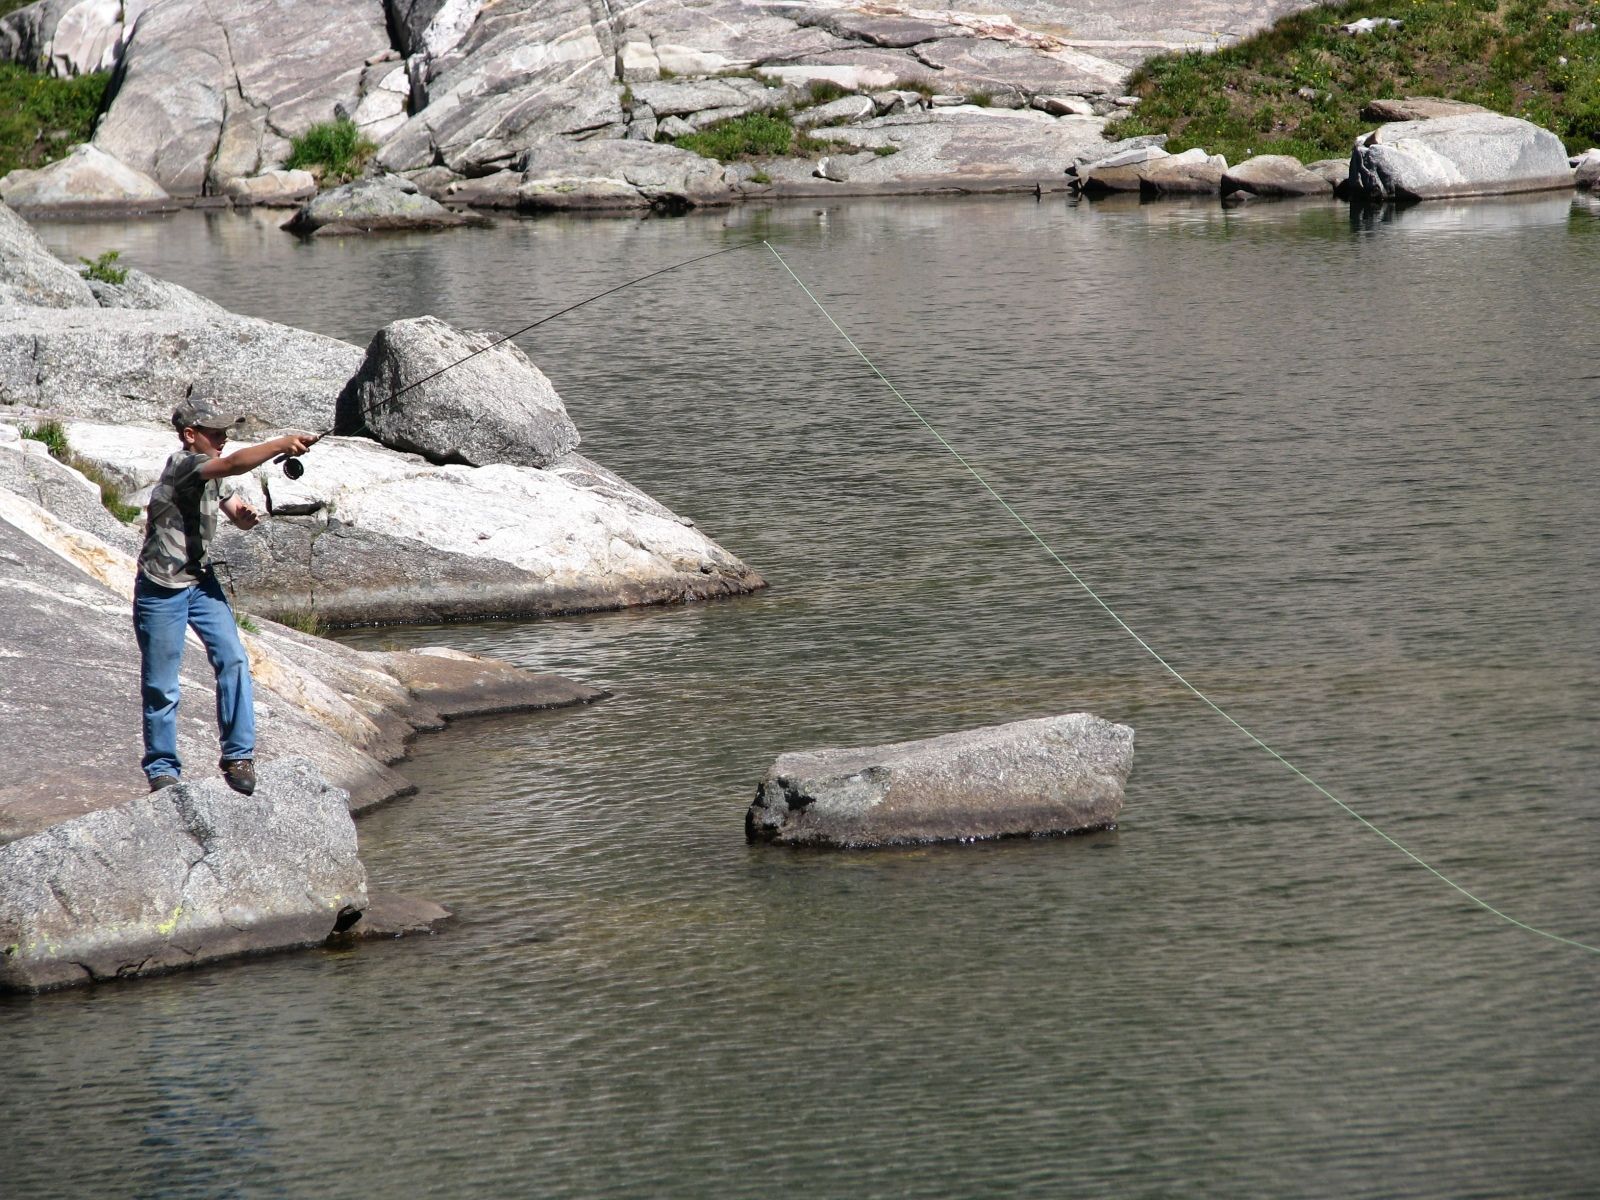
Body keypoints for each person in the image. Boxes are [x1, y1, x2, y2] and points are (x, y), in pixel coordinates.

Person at [134, 396, 317, 794]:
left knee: (233, 659)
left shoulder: (212, 473)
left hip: (200, 582)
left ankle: (238, 755)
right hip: (162, 588)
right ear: (190, 435)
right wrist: (281, 443)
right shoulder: (184, 465)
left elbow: (234, 509)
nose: (223, 440)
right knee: (162, 684)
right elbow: (232, 463)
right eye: (215, 434)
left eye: (225, 434)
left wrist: (245, 518)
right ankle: (162, 768)